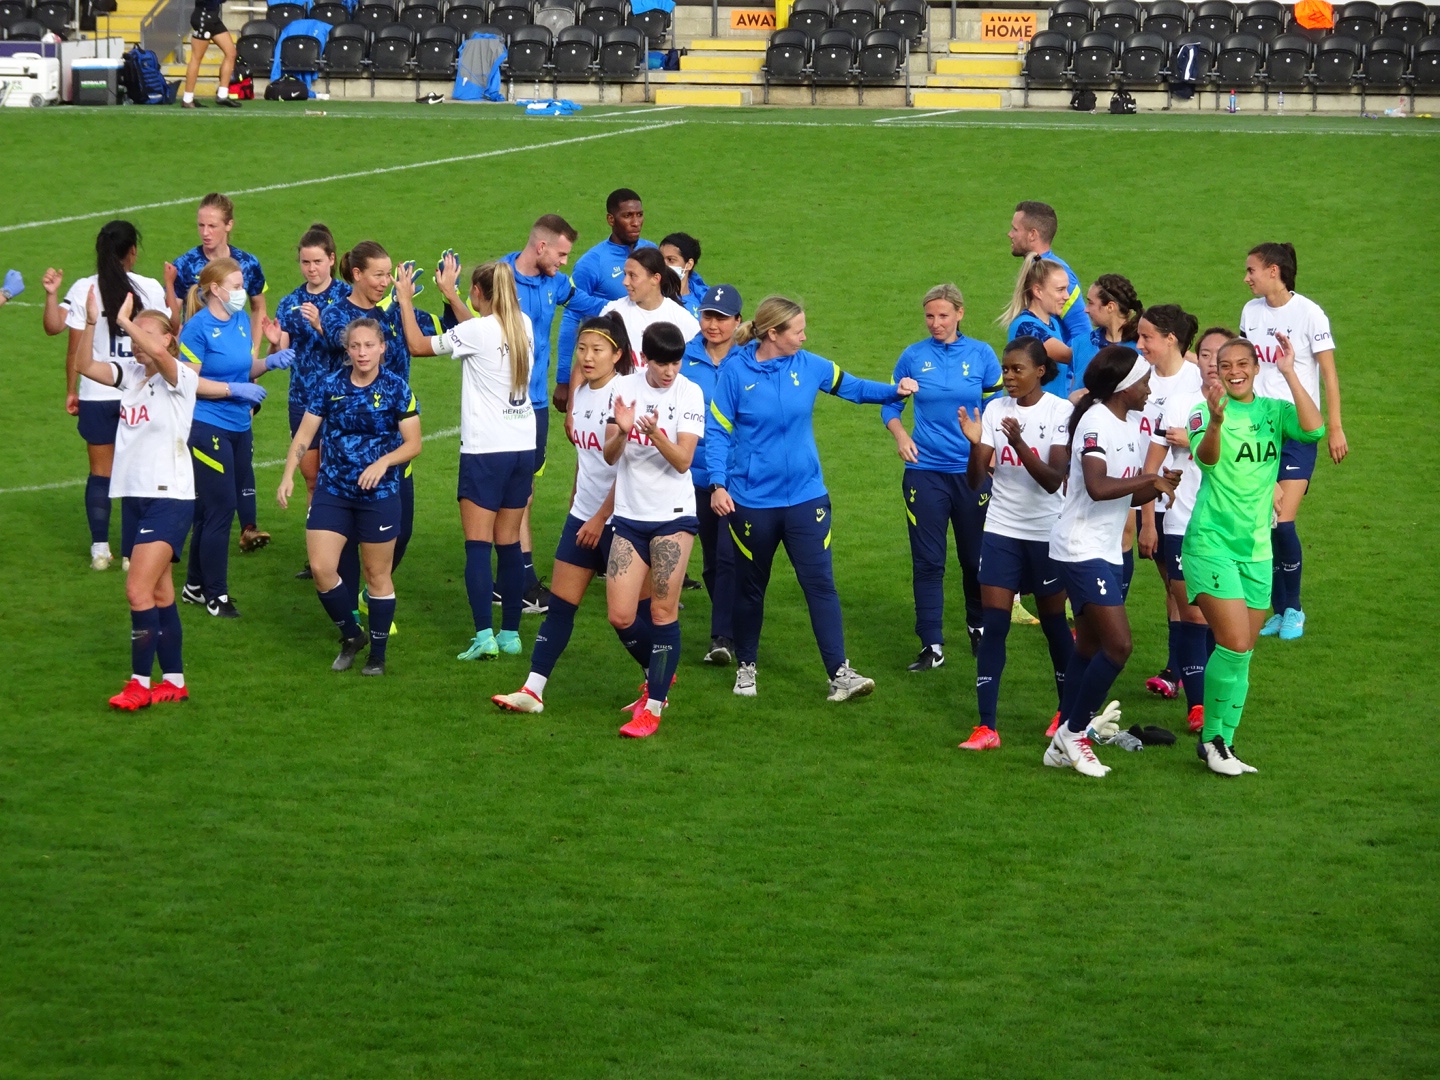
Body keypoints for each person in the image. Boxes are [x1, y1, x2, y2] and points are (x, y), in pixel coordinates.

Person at [706, 296, 918, 702]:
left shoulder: (810, 365)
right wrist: (718, 484)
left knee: (821, 584)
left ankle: (840, 674)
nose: (805, 337)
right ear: (773, 333)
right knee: (751, 588)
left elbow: (854, 388)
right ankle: (747, 666)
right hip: (752, 502)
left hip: (807, 498)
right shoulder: (735, 372)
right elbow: (717, 430)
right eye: (798, 331)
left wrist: (894, 390)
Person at [70, 289, 263, 709]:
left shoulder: (181, 378)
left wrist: (125, 321)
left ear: (168, 340)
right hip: (134, 498)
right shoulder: (131, 375)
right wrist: (90, 322)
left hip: (169, 500)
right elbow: (84, 366)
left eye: (144, 335)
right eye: (132, 337)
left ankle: (140, 685)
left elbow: (158, 354)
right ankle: (174, 681)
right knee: (159, 594)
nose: (136, 343)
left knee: (136, 590)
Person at [1184, 334, 1324, 775]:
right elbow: (1206, 461)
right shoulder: (1202, 411)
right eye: (1226, 365)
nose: (1235, 372)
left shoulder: (1273, 411)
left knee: (1242, 652)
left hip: (1258, 549)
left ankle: (1225, 742)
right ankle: (1212, 740)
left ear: (1255, 367)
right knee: (1234, 643)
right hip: (1211, 543)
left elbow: (1314, 429)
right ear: (1217, 371)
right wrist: (1216, 423)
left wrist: (1291, 372)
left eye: (1243, 364)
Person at [1044, 346, 1178, 779]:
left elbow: (1127, 493)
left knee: (1088, 647)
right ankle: (1075, 733)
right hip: (1081, 548)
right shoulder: (1096, 422)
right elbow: (1099, 487)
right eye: (1144, 382)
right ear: (1123, 387)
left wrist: (1158, 485)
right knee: (1118, 646)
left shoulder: (1128, 424)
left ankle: (1060, 742)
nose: (1149, 389)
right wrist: (1149, 478)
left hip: (1102, 549)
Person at [492, 314, 634, 715]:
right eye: (582, 348)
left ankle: (656, 683)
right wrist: (577, 502)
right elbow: (588, 461)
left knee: (631, 618)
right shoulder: (584, 393)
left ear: (617, 354)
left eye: (597, 350)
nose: (586, 357)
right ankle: (532, 690)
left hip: (623, 521)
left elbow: (630, 470)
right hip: (583, 516)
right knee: (560, 605)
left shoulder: (625, 397)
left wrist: (599, 518)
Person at [396, 256, 536, 661]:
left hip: (485, 451)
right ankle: (511, 634)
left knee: (477, 546)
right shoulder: (521, 324)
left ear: (479, 292)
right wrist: (450, 295)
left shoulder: (478, 330)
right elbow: (475, 330)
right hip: (521, 446)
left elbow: (417, 345)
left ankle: (484, 636)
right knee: (509, 543)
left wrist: (405, 299)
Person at [277, 318, 422, 676]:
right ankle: (352, 635)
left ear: (382, 348)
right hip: (333, 490)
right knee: (321, 568)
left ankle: (378, 657)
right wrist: (287, 475)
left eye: (369, 345)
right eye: (355, 346)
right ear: (347, 349)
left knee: (376, 574)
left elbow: (413, 444)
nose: (362, 352)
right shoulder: (329, 385)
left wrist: (383, 462)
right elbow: (304, 435)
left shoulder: (396, 388)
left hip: (379, 494)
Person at [955, 337, 1075, 750]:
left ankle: (1066, 714)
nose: (1008, 376)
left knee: (1054, 625)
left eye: (1017, 369)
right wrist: (976, 444)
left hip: (1046, 533)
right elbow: (976, 481)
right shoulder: (994, 409)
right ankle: (986, 727)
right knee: (995, 626)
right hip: (1002, 530)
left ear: (1040, 371)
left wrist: (1018, 442)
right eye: (1005, 369)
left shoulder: (1060, 411)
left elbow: (1053, 480)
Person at [883, 283, 1003, 671]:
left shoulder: (982, 355)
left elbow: (996, 409)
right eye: (930, 316)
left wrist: (989, 455)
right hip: (925, 473)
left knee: (974, 559)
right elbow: (890, 404)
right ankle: (931, 644)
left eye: (943, 316)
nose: (936, 323)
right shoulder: (913, 356)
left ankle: (978, 625)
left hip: (972, 473)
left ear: (960, 314)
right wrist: (901, 435)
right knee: (928, 561)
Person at [601, 322, 705, 738]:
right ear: (645, 359)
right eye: (662, 364)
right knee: (620, 615)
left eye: (676, 363)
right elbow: (610, 456)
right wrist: (624, 431)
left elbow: (683, 461)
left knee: (662, 612)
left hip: (673, 517)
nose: (670, 371)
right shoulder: (623, 388)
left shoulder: (689, 393)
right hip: (629, 516)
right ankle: (661, 671)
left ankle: (654, 707)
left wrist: (655, 434)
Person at [1239, 241, 1346, 641]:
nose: (1246, 278)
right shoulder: (1250, 312)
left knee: (1282, 522)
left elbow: (1329, 373)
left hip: (1298, 429)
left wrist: (1335, 427)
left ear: (1274, 271)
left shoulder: (1309, 313)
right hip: (1259, 431)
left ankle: (1294, 608)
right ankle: (1278, 609)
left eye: (1251, 270)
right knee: (1264, 524)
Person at [178, 258, 290, 618]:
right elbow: (190, 382)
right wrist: (233, 390)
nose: (243, 293)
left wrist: (268, 363)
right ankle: (217, 596)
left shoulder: (240, 320)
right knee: (221, 509)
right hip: (207, 426)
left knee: (209, 510)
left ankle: (194, 586)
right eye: (237, 286)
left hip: (240, 426)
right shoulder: (196, 329)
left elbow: (242, 368)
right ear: (215, 289)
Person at [57, 221, 167, 571]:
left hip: (97, 392)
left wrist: (71, 389)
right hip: (139, 391)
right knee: (138, 472)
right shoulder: (149, 289)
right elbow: (166, 338)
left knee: (100, 473)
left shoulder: (84, 289)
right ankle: (133, 552)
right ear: (132, 251)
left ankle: (100, 550)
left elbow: (75, 350)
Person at [167, 194, 270, 552]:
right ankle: (197, 533)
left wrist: (252, 355)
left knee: (241, 446)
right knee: (212, 473)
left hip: (235, 363)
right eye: (201, 225)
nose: (205, 232)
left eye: (212, 225)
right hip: (202, 365)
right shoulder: (186, 264)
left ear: (229, 225)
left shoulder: (247, 264)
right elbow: (174, 317)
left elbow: (258, 308)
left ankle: (247, 525)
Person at [321, 241, 420, 584]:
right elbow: (341, 341)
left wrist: (447, 294)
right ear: (357, 274)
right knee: (349, 536)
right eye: (378, 275)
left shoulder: (394, 309)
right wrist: (395, 305)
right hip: (351, 441)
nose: (385, 282)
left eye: (389, 275)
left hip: (396, 437)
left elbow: (432, 333)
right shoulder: (336, 314)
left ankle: (374, 588)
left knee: (402, 530)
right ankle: (351, 601)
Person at [265, 223, 351, 578]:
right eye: (305, 262)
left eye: (317, 261)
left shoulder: (347, 298)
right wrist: (274, 342)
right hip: (302, 399)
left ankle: (345, 555)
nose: (311, 268)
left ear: (331, 259)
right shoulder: (290, 302)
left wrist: (319, 326)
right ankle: (319, 554)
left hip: (341, 400)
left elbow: (355, 346)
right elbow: (281, 354)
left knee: (339, 477)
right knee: (312, 478)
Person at [503, 214, 579, 612]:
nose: (564, 263)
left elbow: (587, 303)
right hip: (502, 404)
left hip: (535, 405)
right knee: (514, 494)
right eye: (561, 254)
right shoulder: (500, 279)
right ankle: (519, 582)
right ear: (541, 246)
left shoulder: (556, 283)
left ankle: (514, 580)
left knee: (524, 493)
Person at [1156, 327, 1230, 734]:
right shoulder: (1180, 402)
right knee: (1193, 612)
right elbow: (1156, 461)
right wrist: (1147, 516)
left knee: (1224, 617)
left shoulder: (1248, 407)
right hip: (1182, 521)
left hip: (1229, 527)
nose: (1212, 363)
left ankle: (1215, 699)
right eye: (1204, 354)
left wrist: (1194, 438)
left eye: (1221, 355)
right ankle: (1198, 705)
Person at [1134, 304, 1203, 698]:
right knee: (1171, 586)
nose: (1139, 344)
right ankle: (1179, 668)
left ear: (1171, 339)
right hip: (1141, 496)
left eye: (1147, 337)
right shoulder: (1135, 376)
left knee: (1182, 589)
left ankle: (1178, 670)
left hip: (1180, 502)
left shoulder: (1195, 381)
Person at [681, 284, 742, 665]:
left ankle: (723, 636)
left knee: (727, 555)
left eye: (721, 318)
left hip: (737, 477)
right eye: (707, 316)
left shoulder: (750, 359)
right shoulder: (683, 356)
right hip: (693, 476)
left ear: (738, 321)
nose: (713, 324)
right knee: (711, 560)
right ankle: (733, 624)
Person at [553, 188, 655, 410]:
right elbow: (571, 318)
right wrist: (563, 379)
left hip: (647, 365)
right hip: (608, 368)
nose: (636, 222)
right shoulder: (592, 263)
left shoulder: (651, 251)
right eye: (627, 216)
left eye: (639, 215)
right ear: (611, 219)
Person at [1007, 200, 1094, 384]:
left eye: (1015, 229)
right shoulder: (1036, 269)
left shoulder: (1058, 275)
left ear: (1032, 234)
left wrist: (1075, 381)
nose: (1010, 234)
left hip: (1059, 383)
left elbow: (1081, 330)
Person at [599, 247, 700, 368]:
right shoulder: (612, 312)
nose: (625, 282)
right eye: (625, 274)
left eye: (632, 275)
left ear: (655, 278)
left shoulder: (682, 319)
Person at [998, 254, 1073, 396]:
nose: (1067, 296)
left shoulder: (1053, 323)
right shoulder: (1026, 326)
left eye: (1066, 289)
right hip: (1033, 409)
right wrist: (1104, 336)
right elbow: (1068, 355)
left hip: (1055, 408)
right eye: (1060, 290)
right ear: (1038, 291)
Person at [1082, 273, 1144, 383]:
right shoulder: (1081, 344)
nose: (1086, 310)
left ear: (1110, 307)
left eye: (1091, 303)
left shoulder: (1143, 349)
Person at [179, 0, 240, 107]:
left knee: (231, 53)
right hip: (204, 16)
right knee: (196, 58)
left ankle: (222, 95)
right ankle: (187, 99)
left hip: (212, 17)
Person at [659, 232, 709, 320]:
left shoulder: (706, 301)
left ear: (689, 264)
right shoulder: (652, 297)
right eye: (660, 259)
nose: (663, 265)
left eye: (670, 260)